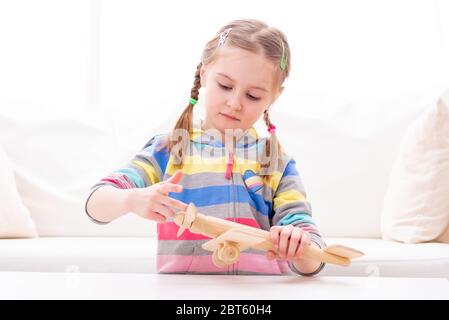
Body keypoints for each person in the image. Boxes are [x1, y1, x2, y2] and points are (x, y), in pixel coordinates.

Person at [85, 18, 326, 276]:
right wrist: (131, 200)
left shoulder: (275, 161)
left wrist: (299, 245)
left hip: (259, 297)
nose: (235, 103)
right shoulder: (171, 148)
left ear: (273, 96)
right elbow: (95, 203)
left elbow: (313, 256)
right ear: (204, 74)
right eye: (225, 86)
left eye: (253, 95)